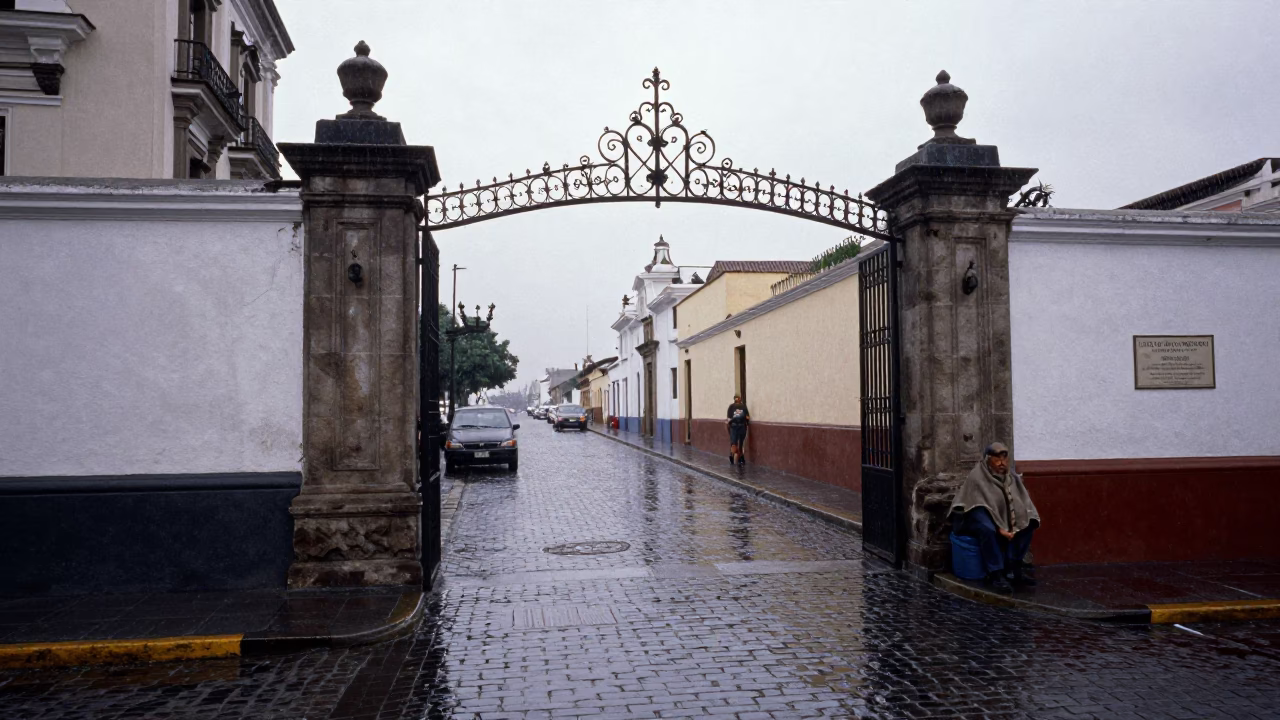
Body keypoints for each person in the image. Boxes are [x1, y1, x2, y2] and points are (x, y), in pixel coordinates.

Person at [949, 442, 1040, 594]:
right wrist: (1001, 528)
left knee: (1029, 522)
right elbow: (981, 506)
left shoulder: (1011, 477)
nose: (1001, 463)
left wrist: (1019, 523)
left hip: (1002, 517)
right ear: (987, 460)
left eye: (1004, 458)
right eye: (997, 459)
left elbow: (1021, 501)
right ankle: (996, 573)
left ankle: (1014, 567)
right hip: (972, 517)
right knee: (987, 529)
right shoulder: (977, 477)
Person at [726, 394, 750, 466]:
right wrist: (747, 423)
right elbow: (747, 417)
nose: (738, 399)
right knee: (737, 443)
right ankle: (736, 457)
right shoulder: (740, 406)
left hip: (737, 426)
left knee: (737, 442)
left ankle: (736, 456)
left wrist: (729, 426)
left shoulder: (734, 407)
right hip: (738, 426)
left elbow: (729, 418)